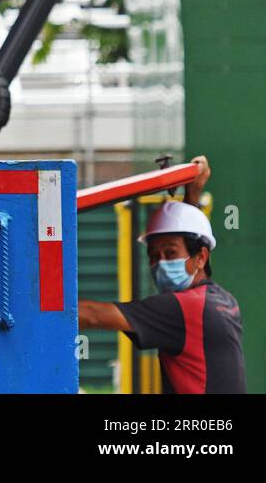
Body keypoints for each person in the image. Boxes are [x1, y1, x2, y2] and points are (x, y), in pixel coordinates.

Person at [78, 157, 245, 393]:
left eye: (170, 253)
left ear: (202, 256)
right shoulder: (223, 300)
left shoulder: (181, 308)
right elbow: (193, 245)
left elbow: (92, 316)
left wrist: (35, 310)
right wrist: (193, 195)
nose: (161, 263)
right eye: (154, 256)